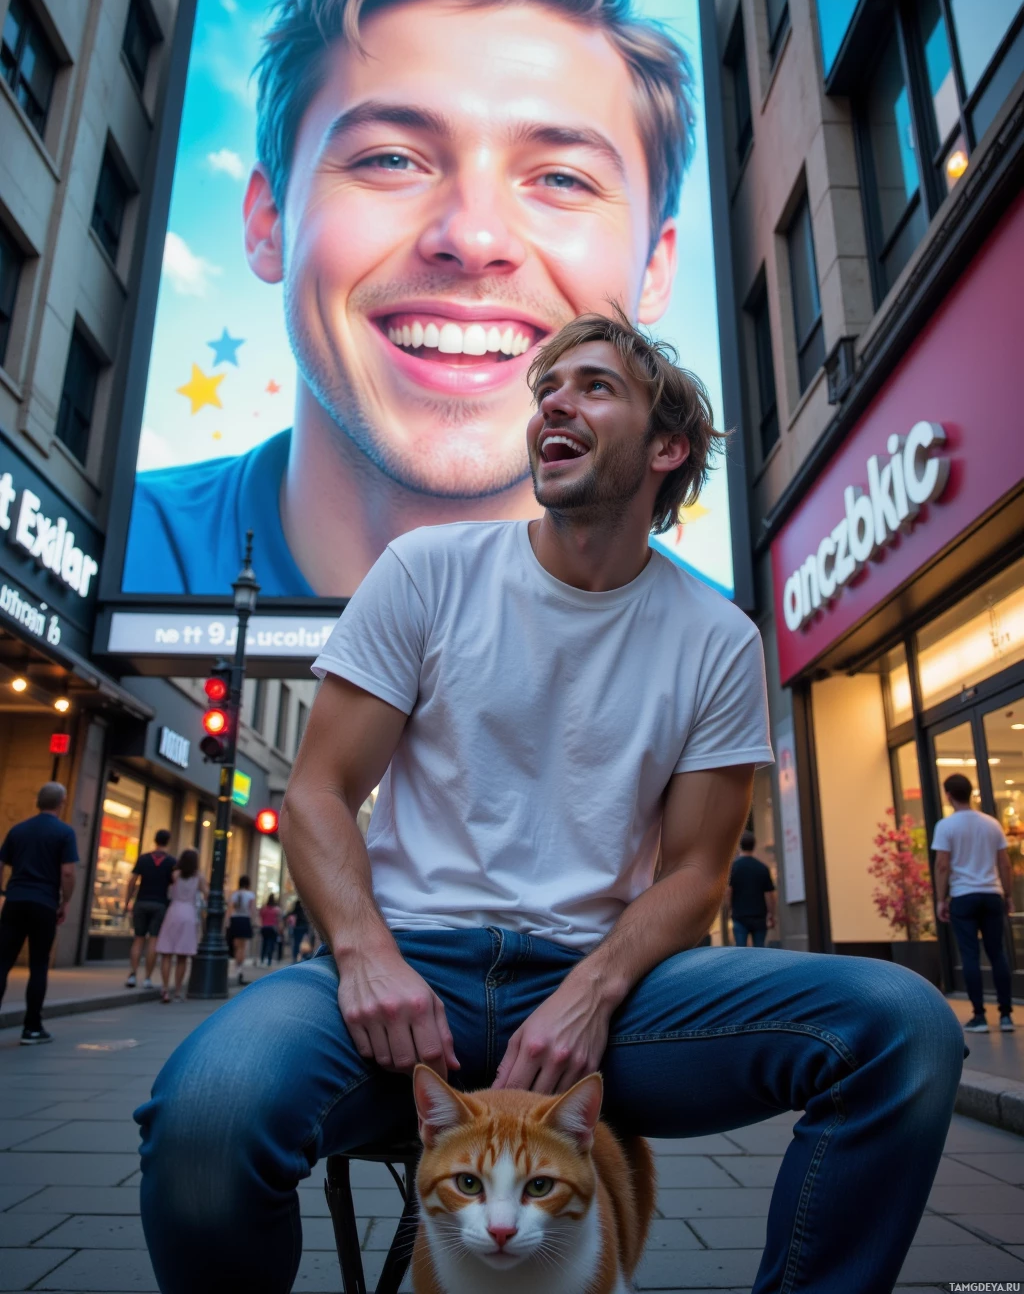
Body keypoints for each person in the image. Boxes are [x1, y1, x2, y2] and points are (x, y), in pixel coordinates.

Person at [136, 309, 964, 1294]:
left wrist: (592, 990)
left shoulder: (716, 637)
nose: (551, 405)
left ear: (667, 447)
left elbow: (696, 869)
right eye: (545, 390)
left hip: (606, 996)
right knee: (205, 1121)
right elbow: (317, 790)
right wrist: (362, 955)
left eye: (591, 386)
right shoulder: (427, 572)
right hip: (403, 972)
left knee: (899, 1025)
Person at [123, 0, 697, 597]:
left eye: (562, 179)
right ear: (268, 222)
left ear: (656, 269)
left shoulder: (705, 651)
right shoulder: (124, 551)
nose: (475, 238)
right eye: (391, 159)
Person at [933, 771, 1015, 1034]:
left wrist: (940, 899)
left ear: (948, 795)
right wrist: (1009, 895)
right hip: (992, 894)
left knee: (970, 955)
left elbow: (942, 865)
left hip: (963, 896)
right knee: (997, 953)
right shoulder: (992, 823)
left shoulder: (946, 826)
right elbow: (1004, 862)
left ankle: (979, 1016)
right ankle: (1005, 1016)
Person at [0, 782, 78, 1045]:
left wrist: (3, 892)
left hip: (15, 900)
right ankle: (32, 1027)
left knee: (3, 961)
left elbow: (1, 863)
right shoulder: (64, 832)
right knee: (38, 965)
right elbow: (67, 872)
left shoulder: (18, 830)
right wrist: (65, 902)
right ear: (62, 802)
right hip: (44, 903)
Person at [124, 829, 176, 991]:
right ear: (168, 842)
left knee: (138, 939)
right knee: (153, 940)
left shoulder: (144, 858)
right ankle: (147, 978)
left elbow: (132, 881)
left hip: (142, 902)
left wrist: (127, 902)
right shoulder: (171, 862)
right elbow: (174, 885)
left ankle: (132, 975)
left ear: (155, 840)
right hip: (160, 904)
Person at [155, 850, 206, 1004]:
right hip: (189, 913)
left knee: (167, 953)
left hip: (173, 912)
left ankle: (165, 989)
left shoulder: (175, 875)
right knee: (182, 956)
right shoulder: (199, 877)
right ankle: (177, 991)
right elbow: (208, 893)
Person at [726, 830, 777, 947]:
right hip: (759, 916)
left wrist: (729, 909)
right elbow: (769, 895)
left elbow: (729, 892)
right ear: (754, 846)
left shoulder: (734, 868)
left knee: (741, 949)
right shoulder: (762, 868)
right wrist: (771, 914)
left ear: (739, 846)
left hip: (739, 916)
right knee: (760, 950)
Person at [226, 876, 256, 985]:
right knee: (242, 947)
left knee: (236, 946)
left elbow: (230, 908)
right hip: (244, 920)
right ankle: (239, 969)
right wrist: (254, 922)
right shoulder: (250, 895)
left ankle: (236, 967)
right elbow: (252, 910)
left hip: (235, 920)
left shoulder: (234, 894)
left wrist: (227, 922)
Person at [259, 894, 281, 966]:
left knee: (264, 944)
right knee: (271, 945)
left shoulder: (264, 909)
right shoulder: (276, 910)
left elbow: (261, 918)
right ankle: (269, 960)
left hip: (265, 928)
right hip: (272, 928)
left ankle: (262, 959)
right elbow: (277, 920)